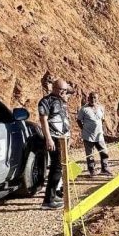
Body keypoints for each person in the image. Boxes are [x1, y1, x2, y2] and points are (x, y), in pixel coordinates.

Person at [38, 78, 73, 209]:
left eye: (65, 90)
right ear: (54, 88)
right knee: (56, 167)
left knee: (61, 166)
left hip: (64, 138)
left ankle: (54, 195)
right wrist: (48, 138)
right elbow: (43, 120)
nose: (64, 92)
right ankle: (48, 200)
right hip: (54, 138)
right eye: (61, 90)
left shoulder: (62, 100)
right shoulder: (46, 101)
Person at [77, 92, 111, 177]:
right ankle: (92, 170)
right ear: (88, 98)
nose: (93, 99)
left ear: (97, 98)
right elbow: (78, 120)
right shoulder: (84, 109)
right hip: (88, 136)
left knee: (104, 152)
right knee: (90, 154)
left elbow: (102, 119)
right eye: (91, 98)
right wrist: (84, 129)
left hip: (99, 135)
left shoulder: (101, 108)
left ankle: (104, 169)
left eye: (95, 98)